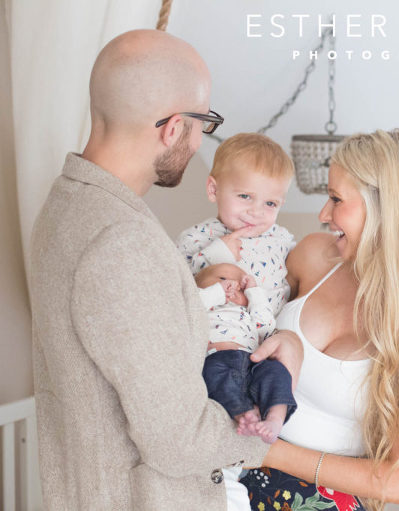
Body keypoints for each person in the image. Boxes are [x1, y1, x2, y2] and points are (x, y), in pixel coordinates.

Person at [28, 30, 301, 510]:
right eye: (204, 123)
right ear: (174, 128)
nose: (200, 141)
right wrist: (272, 419)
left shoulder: (64, 205)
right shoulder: (122, 239)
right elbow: (180, 441)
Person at [241, 129, 399, 511]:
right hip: (229, 484)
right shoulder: (312, 257)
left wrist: (264, 452)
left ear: (386, 209)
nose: (323, 215)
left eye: (336, 199)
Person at [176, 132, 296, 441]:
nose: (257, 212)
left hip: (262, 348)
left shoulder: (281, 239)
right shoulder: (196, 239)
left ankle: (273, 420)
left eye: (270, 203)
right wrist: (217, 254)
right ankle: (242, 415)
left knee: (278, 377)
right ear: (214, 189)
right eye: (245, 196)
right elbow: (183, 292)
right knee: (219, 381)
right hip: (220, 346)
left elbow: (296, 281)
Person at [196, 262, 296, 443]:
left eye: (242, 288)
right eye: (223, 279)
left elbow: (266, 328)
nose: (234, 285)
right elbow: (192, 304)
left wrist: (254, 294)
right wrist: (217, 293)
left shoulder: (247, 313)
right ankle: (244, 414)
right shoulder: (201, 306)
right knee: (211, 375)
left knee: (278, 371)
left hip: (252, 361)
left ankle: (275, 419)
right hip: (217, 359)